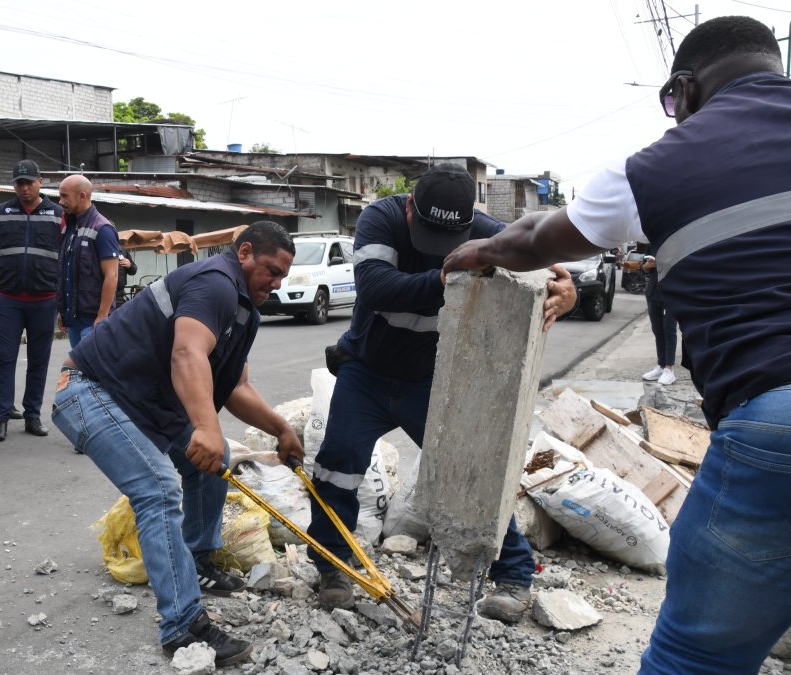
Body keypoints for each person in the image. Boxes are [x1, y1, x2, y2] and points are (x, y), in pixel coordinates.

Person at [443, 16, 791, 673]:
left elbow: (538, 239)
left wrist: (479, 249)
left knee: (696, 655)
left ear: (685, 92)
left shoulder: (660, 168)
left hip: (775, 421)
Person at [306, 163, 575, 622]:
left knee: (472, 475)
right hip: (366, 371)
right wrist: (450, 275)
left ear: (469, 225)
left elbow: (545, 260)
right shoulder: (381, 219)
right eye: (428, 233)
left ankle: (513, 576)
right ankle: (334, 565)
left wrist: (564, 287)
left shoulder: (491, 232)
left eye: (452, 242)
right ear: (410, 207)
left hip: (434, 381)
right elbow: (376, 289)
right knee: (337, 467)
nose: (440, 249)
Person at [51, 221, 304, 667]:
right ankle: (183, 626)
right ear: (244, 252)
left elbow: (235, 388)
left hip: (140, 403)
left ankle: (198, 560)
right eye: (270, 269)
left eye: (283, 276)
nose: (276, 282)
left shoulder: (245, 310)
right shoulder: (217, 284)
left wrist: (281, 428)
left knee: (216, 459)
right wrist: (204, 427)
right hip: (90, 390)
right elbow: (187, 353)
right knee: (159, 489)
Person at [0, 160, 63, 442]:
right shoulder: (2, 212)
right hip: (8, 300)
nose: (24, 187)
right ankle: (0, 417)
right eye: (19, 183)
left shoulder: (57, 214)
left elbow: (66, 258)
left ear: (40, 181)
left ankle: (32, 416)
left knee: (39, 361)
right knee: (4, 359)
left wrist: (61, 297)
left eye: (29, 182)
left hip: (45, 300)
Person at [56, 175, 119, 347]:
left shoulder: (102, 229)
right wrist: (63, 311)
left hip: (92, 322)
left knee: (91, 372)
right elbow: (66, 271)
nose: (60, 201)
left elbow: (112, 276)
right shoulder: (69, 228)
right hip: (73, 321)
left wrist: (102, 316)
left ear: (82, 196)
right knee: (79, 371)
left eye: (64, 196)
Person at [632, 243, 678, 385]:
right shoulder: (652, 244)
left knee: (668, 329)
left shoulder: (675, 242)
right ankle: (661, 365)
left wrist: (662, 263)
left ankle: (669, 369)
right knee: (657, 330)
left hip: (670, 292)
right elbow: (644, 268)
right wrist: (649, 265)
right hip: (653, 292)